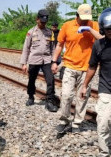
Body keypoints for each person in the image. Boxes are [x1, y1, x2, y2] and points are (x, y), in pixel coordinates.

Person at [51, 4, 102, 135]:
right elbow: (59, 45)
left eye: (87, 17)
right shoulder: (67, 26)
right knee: (66, 96)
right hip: (69, 66)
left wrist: (89, 29)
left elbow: (102, 39)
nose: (85, 20)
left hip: (87, 69)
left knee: (82, 97)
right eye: (83, 17)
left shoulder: (93, 25)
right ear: (77, 15)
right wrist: (54, 61)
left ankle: (77, 123)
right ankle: (64, 121)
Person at [81, 8, 111, 157]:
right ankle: (104, 152)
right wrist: (85, 85)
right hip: (106, 90)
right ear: (102, 29)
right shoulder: (98, 45)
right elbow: (92, 66)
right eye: (108, 29)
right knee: (103, 123)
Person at [20, 9, 58, 112]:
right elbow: (26, 48)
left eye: (45, 22)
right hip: (34, 60)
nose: (43, 24)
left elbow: (53, 48)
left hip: (46, 60)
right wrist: (24, 63)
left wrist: (54, 62)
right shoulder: (31, 32)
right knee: (31, 79)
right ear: (37, 20)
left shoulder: (50, 32)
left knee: (50, 80)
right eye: (41, 22)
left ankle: (49, 101)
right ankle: (31, 96)